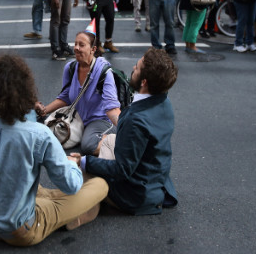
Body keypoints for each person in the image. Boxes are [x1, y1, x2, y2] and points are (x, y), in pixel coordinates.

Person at [0, 54, 108, 247]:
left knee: (39, 191)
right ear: (25, 91)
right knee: (100, 185)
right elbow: (70, 184)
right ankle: (68, 219)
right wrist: (72, 164)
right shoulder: (38, 133)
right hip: (22, 229)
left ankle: (62, 212)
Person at [71, 47, 178, 215]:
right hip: (156, 181)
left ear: (144, 82)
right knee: (109, 141)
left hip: (135, 195)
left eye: (137, 67)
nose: (133, 69)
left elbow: (121, 169)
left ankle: (85, 208)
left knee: (76, 171)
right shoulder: (164, 102)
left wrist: (82, 162)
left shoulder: (135, 120)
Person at [35, 21, 120, 156]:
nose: (76, 48)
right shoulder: (70, 68)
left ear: (93, 49)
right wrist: (44, 110)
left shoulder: (104, 72)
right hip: (78, 118)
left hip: (99, 120)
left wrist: (126, 130)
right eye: (75, 44)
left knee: (88, 146)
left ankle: (119, 142)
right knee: (39, 127)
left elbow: (112, 107)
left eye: (82, 45)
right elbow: (65, 96)